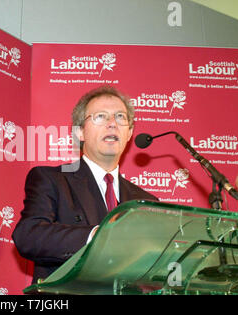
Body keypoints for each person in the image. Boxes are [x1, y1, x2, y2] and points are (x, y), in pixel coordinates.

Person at [12, 85, 158, 284]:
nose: (112, 124)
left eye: (120, 117)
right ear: (80, 132)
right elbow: (28, 236)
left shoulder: (147, 202)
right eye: (101, 117)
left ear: (130, 132)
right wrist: (96, 236)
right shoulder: (52, 179)